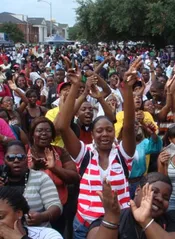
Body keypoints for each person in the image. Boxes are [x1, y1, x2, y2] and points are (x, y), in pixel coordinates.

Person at [55, 57, 141, 239]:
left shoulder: (123, 154)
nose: (104, 134)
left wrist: (128, 88)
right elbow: (63, 126)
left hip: (120, 225)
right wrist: (77, 86)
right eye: (99, 131)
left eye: (109, 130)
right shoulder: (84, 153)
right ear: (92, 135)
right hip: (85, 225)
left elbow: (129, 124)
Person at [86, 172, 175, 239]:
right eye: (154, 191)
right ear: (137, 190)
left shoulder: (174, 220)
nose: (160, 198)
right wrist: (111, 218)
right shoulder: (116, 217)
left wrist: (146, 220)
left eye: (165, 198)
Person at [27, 117, 79, 234]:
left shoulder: (60, 152)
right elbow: (17, 178)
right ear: (32, 134)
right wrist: (33, 168)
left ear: (52, 135)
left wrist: (54, 168)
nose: (44, 134)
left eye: (48, 130)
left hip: (59, 209)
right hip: (30, 212)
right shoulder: (24, 151)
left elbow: (75, 177)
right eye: (39, 130)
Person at [2, 140, 62, 227]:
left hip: (38, 232)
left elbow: (55, 206)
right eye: (11, 157)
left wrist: (42, 217)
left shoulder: (41, 177)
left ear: (27, 159)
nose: (16, 160)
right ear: (4, 160)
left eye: (20, 157)